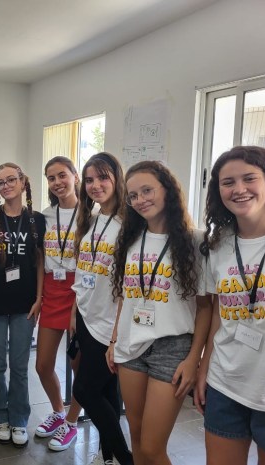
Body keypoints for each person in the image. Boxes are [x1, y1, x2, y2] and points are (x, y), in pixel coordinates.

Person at [106, 161, 212, 465]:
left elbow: (205, 308)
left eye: (147, 190)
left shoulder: (196, 242)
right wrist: (115, 340)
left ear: (168, 189)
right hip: (130, 346)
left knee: (153, 447)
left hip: (173, 347)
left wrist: (194, 359)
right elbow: (127, 295)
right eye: (133, 195)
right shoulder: (129, 240)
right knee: (137, 437)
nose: (140, 200)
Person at [196, 146, 265, 465]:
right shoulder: (218, 245)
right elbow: (218, 311)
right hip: (225, 383)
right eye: (227, 182)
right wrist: (204, 368)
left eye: (249, 178)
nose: (239, 189)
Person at [71, 152, 133, 465]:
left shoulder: (129, 224)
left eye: (103, 177)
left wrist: (116, 335)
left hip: (110, 323)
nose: (96, 185)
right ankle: (107, 455)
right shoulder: (92, 220)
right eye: (90, 179)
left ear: (117, 179)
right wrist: (74, 312)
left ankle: (124, 458)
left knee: (85, 389)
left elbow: (128, 286)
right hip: (86, 314)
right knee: (107, 391)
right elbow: (84, 272)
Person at [0, 162, 46, 448]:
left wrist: (39, 298)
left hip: (24, 304)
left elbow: (41, 261)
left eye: (10, 180)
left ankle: (19, 418)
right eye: (0, 183)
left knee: (19, 365)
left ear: (22, 182)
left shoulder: (37, 220)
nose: (5, 186)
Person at [34, 156, 83, 452]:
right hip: (52, 288)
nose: (57, 183)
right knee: (42, 365)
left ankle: (73, 422)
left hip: (80, 292)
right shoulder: (45, 216)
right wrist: (40, 296)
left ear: (75, 176)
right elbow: (40, 259)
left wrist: (80, 300)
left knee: (79, 366)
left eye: (62, 175)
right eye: (51, 178)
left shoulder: (90, 215)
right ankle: (57, 412)